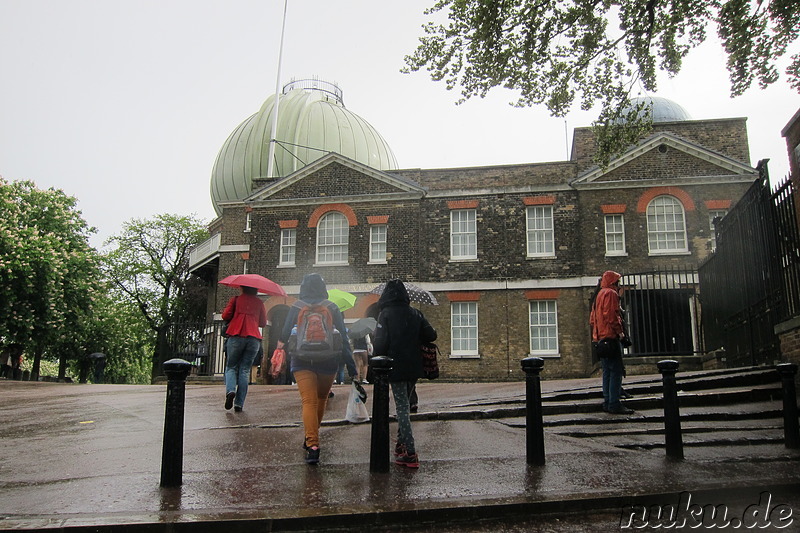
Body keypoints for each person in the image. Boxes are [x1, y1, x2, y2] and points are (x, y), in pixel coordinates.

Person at [277, 273, 357, 465]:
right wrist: (351, 367)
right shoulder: (332, 307)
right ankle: (312, 436)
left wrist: (279, 351)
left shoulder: (296, 306)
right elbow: (344, 339)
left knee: (308, 401)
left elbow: (285, 333)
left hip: (302, 359)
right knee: (320, 399)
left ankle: (312, 444)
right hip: (328, 360)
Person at [372, 279, 437, 468]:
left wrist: (376, 361)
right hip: (415, 367)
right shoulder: (416, 313)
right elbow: (431, 335)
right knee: (405, 406)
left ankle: (409, 451)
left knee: (402, 408)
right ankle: (401, 446)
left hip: (395, 367)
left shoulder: (385, 315)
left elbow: (380, 344)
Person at [590, 270, 634, 415]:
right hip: (610, 337)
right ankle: (614, 403)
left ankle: (608, 401)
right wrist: (620, 333)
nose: (619, 285)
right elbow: (612, 316)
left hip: (600, 339)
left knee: (607, 371)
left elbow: (592, 319)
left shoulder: (598, 296)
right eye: (617, 282)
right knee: (616, 371)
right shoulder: (610, 293)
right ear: (613, 282)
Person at [221, 285, 267, 412]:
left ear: (242, 288)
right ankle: (239, 404)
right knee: (245, 370)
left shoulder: (235, 300)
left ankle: (230, 391)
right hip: (253, 338)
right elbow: (263, 323)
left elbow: (225, 316)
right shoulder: (259, 303)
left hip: (236, 335)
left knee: (231, 367)